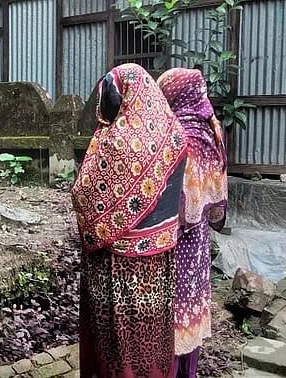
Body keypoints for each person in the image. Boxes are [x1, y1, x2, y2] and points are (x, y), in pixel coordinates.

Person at [72, 63, 188, 378]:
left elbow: (84, 194)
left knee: (119, 335)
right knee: (152, 331)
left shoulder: (114, 140)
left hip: (117, 262)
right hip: (160, 259)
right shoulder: (174, 132)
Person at [157, 68, 228, 378]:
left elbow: (182, 200)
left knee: (173, 311)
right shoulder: (210, 129)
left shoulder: (181, 137)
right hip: (198, 239)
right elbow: (214, 204)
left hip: (178, 238)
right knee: (190, 303)